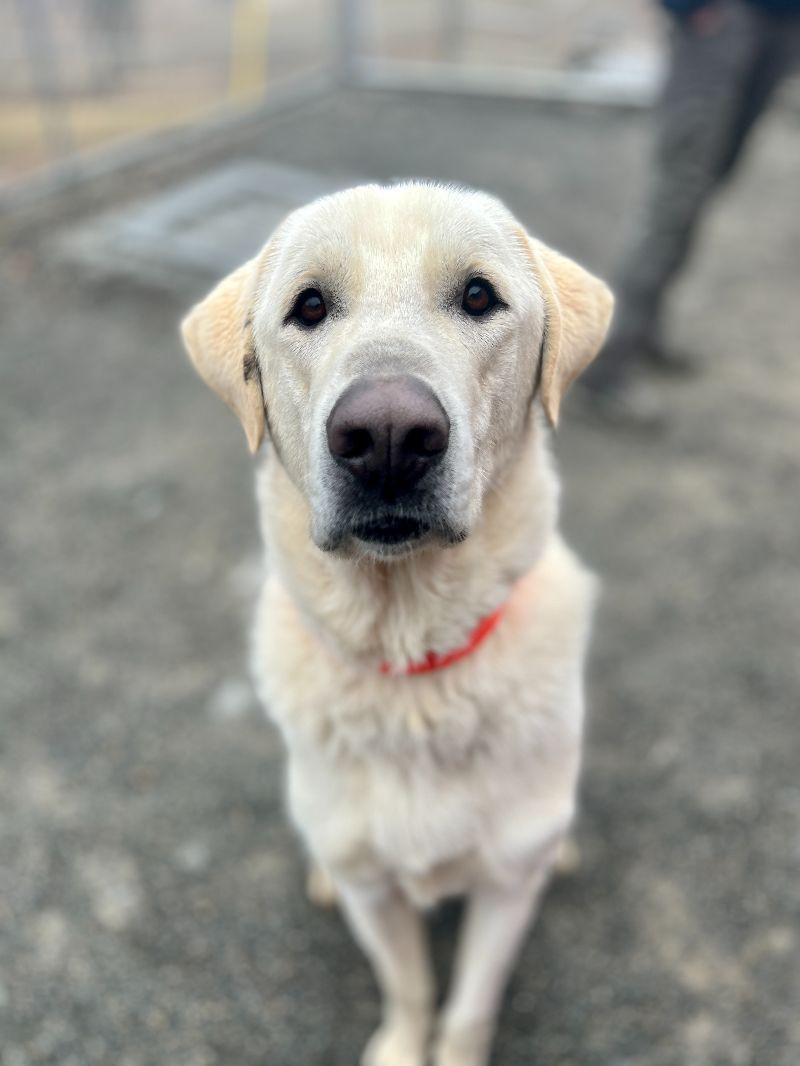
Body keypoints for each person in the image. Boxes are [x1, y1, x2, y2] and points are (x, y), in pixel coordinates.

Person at [581, 0, 800, 427]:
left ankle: (644, 330)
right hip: (721, 21)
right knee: (677, 195)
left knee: (704, 186)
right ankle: (609, 358)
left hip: (782, 24)